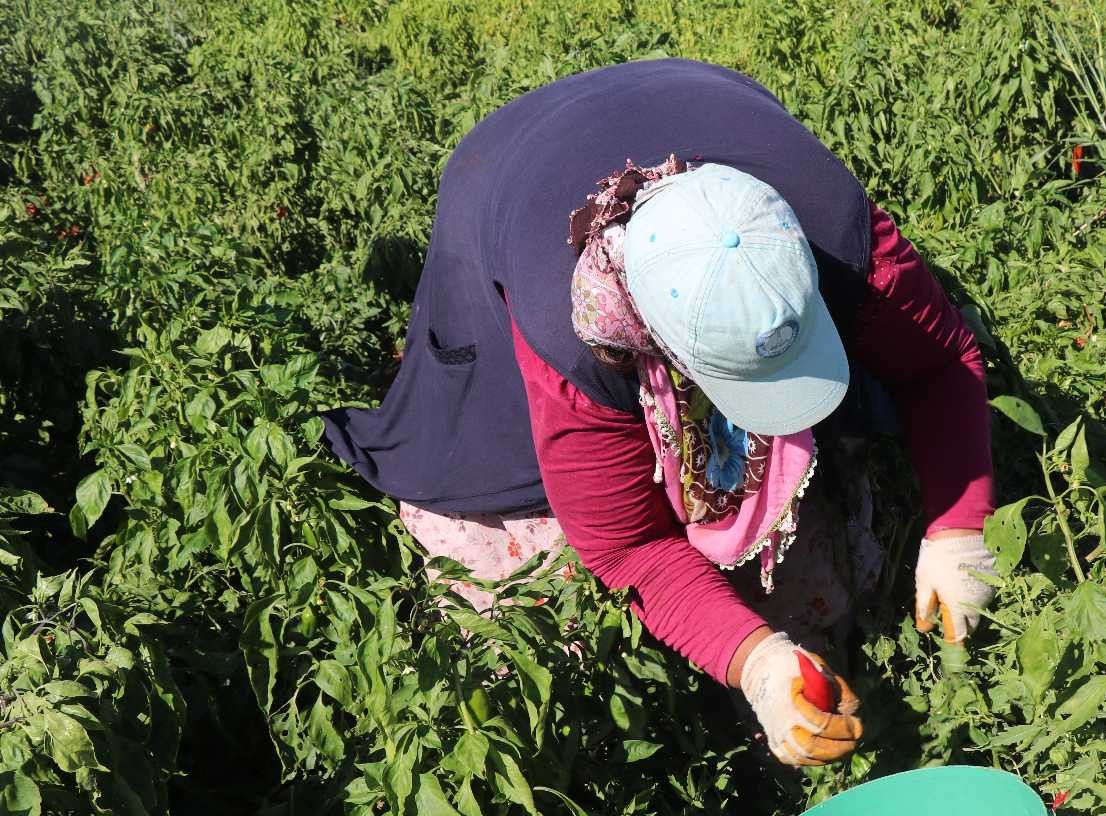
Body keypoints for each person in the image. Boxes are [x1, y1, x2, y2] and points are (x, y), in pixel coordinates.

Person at [323, 58, 998, 767]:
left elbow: (940, 360)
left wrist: (960, 527)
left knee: (810, 503)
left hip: (685, 95)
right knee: (522, 525)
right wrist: (757, 662)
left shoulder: (836, 229)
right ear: (657, 345)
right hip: (500, 179)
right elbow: (627, 546)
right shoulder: (573, 342)